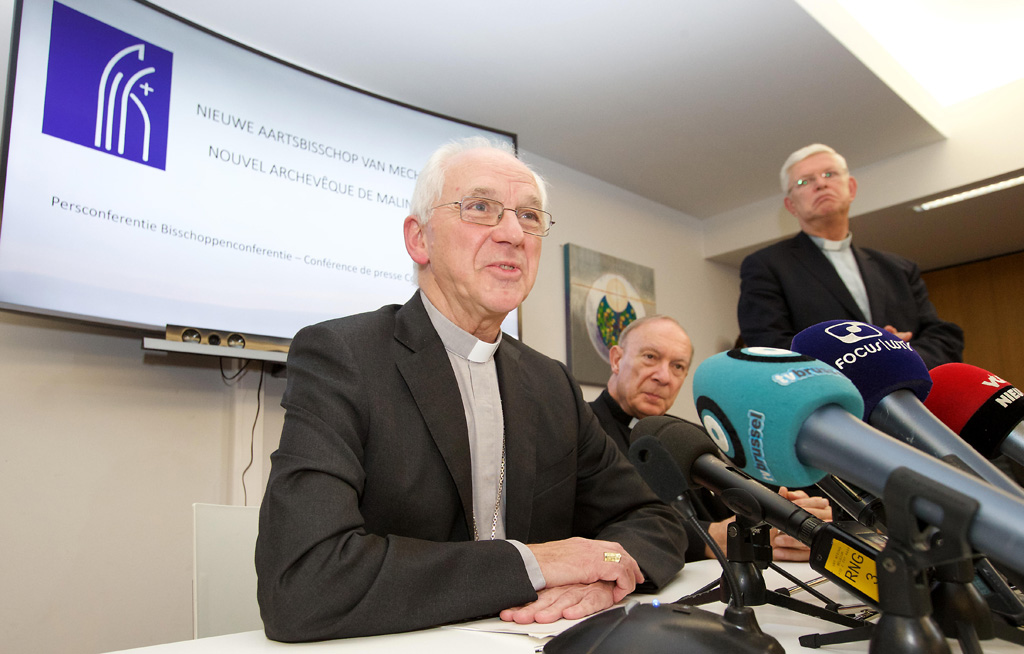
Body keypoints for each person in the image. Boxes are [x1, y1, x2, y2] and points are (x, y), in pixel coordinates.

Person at [255, 137, 688, 642]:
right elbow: (304, 583)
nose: (513, 233)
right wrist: (536, 563)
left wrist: (605, 571)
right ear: (419, 240)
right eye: (480, 207)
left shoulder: (552, 383)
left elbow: (654, 519)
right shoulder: (343, 355)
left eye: (529, 217)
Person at [590, 315, 831, 562]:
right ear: (617, 359)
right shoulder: (584, 432)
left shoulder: (698, 435)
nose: (664, 377)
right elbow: (598, 522)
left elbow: (741, 499)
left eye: (678, 366)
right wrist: (708, 537)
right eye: (650, 357)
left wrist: (782, 510)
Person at [738, 144, 964, 369]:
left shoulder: (899, 269)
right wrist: (866, 353)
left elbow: (944, 339)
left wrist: (897, 352)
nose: (821, 184)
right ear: (791, 205)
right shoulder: (766, 266)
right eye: (804, 181)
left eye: (830, 174)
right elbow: (769, 346)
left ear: (851, 188)